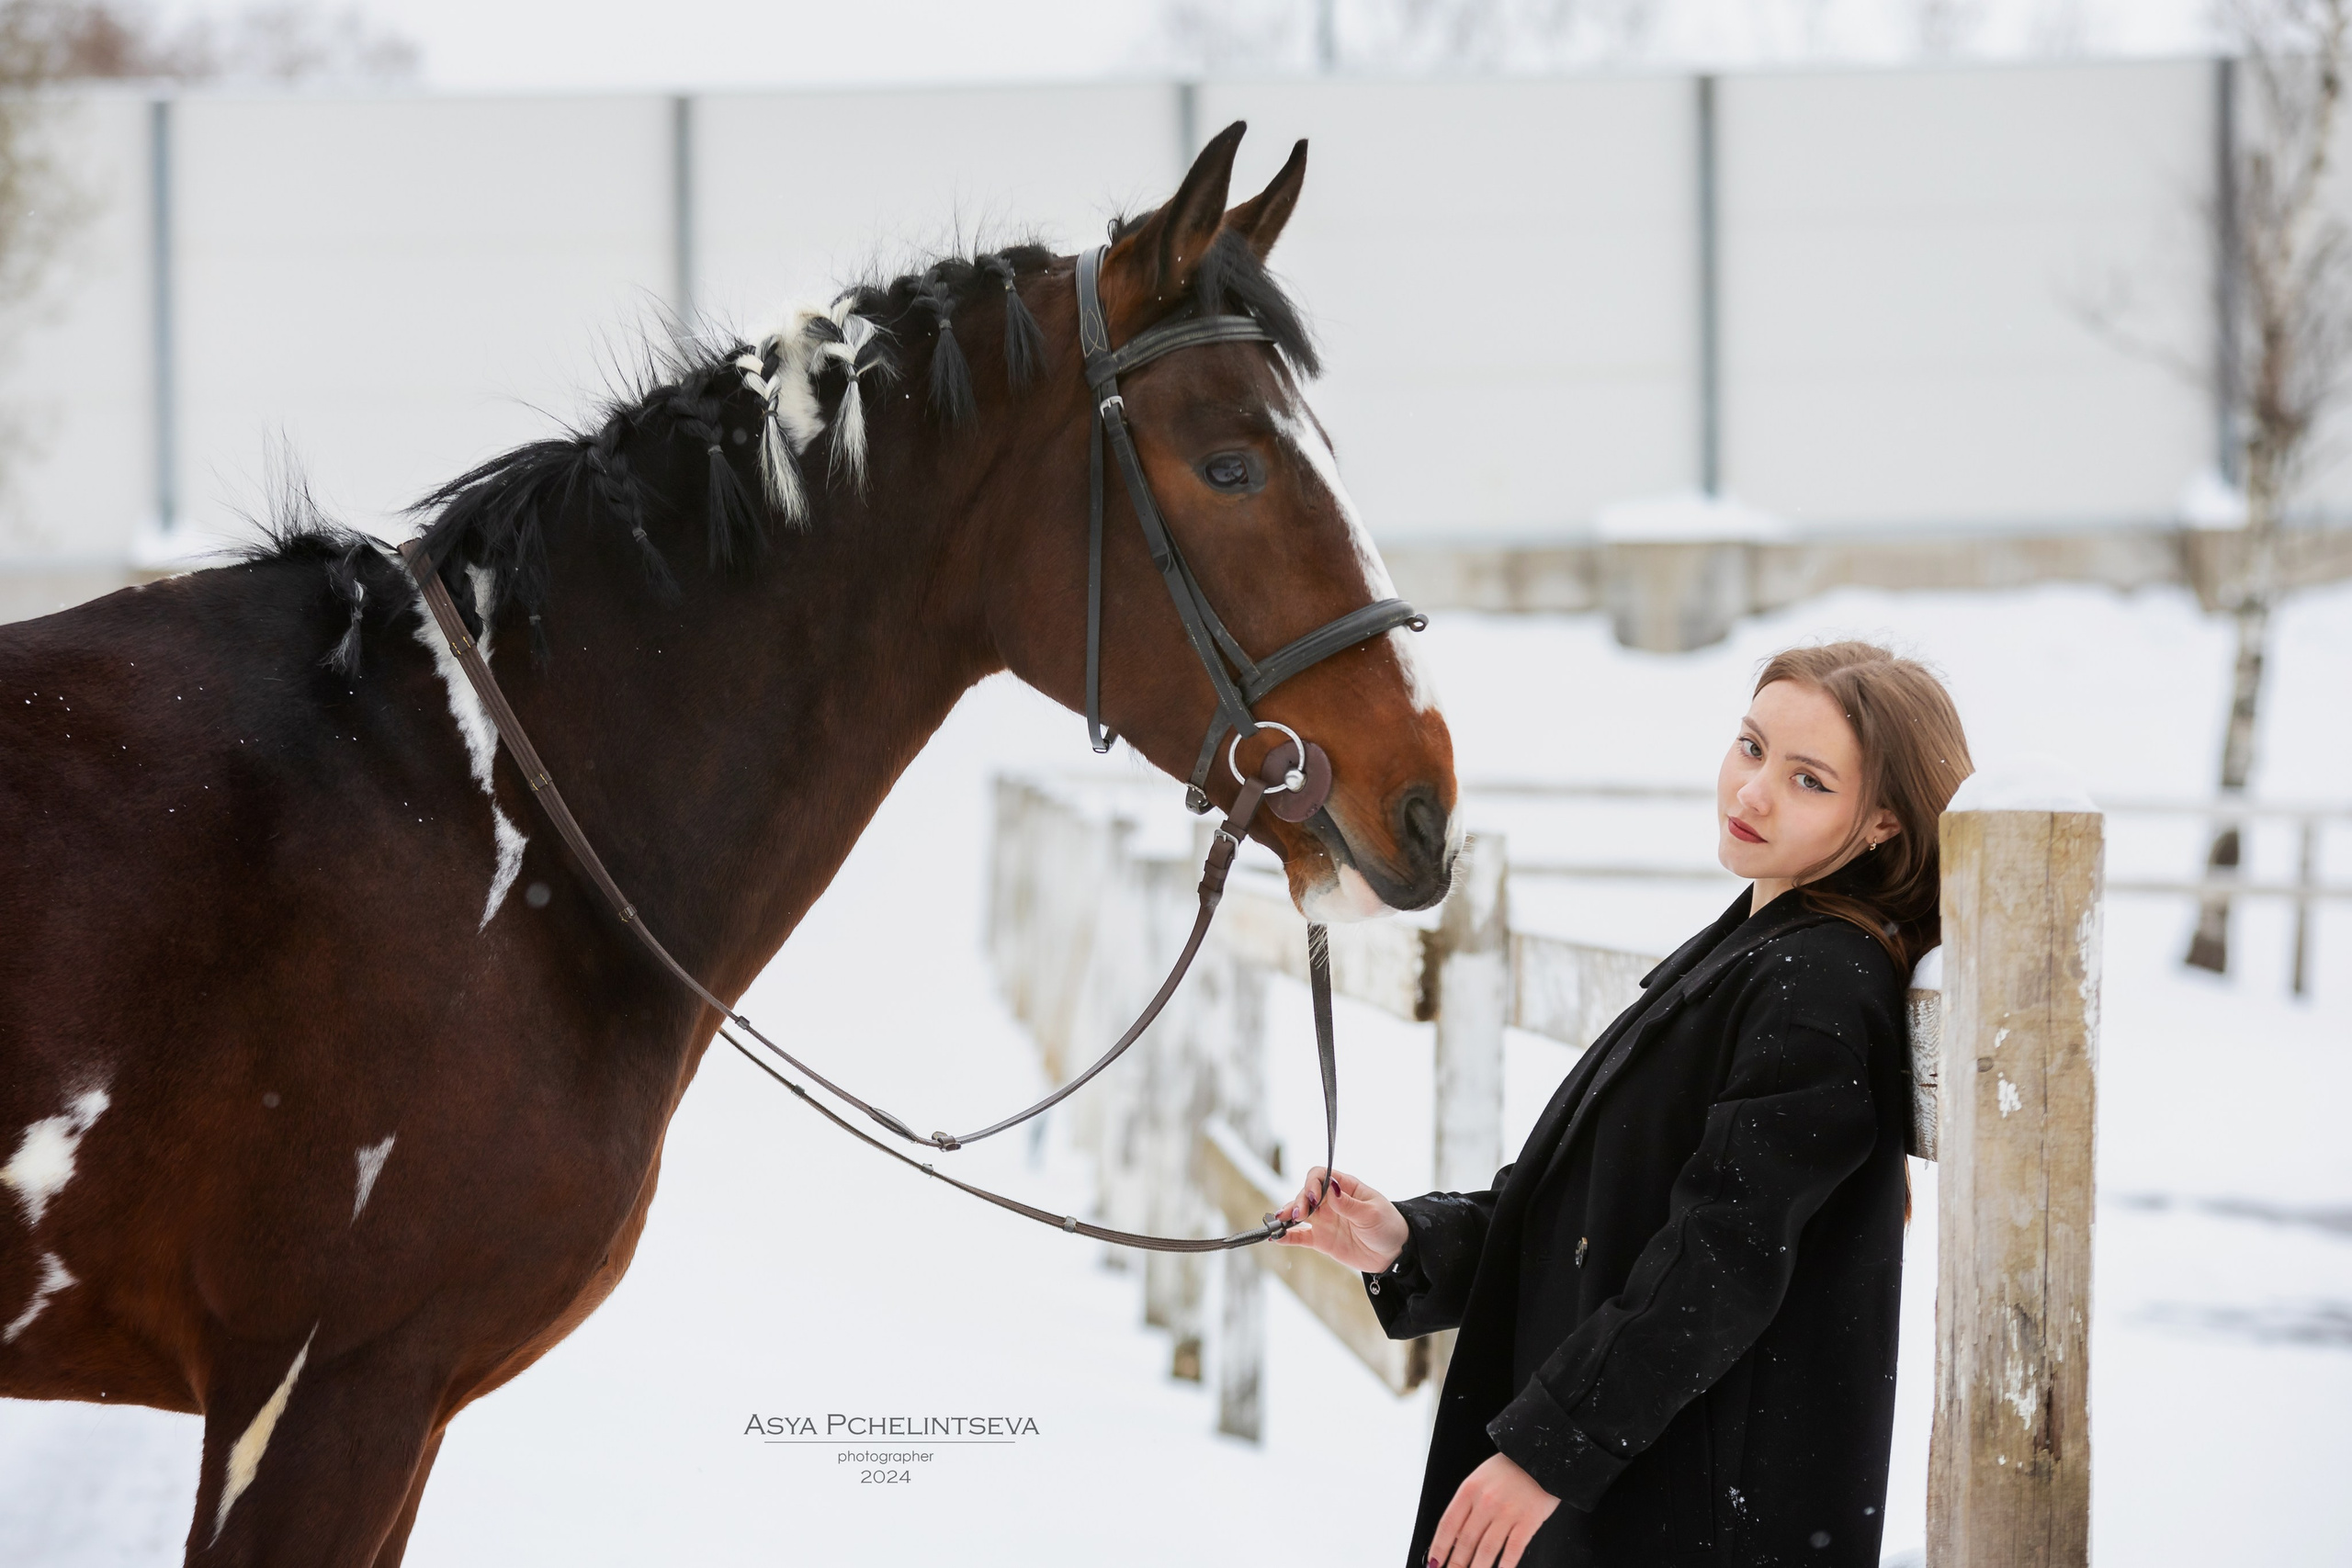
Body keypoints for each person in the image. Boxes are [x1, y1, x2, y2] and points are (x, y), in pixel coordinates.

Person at [1273, 641, 1973, 1568]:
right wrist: (1411, 1240)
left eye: (1808, 781)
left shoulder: (1819, 984)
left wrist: (1549, 1450)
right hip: (1638, 1480)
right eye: (1751, 747)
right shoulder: (1756, 948)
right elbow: (1604, 1214)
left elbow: (1720, 1259)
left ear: (1883, 820)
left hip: (1687, 1511)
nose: (1752, 792)